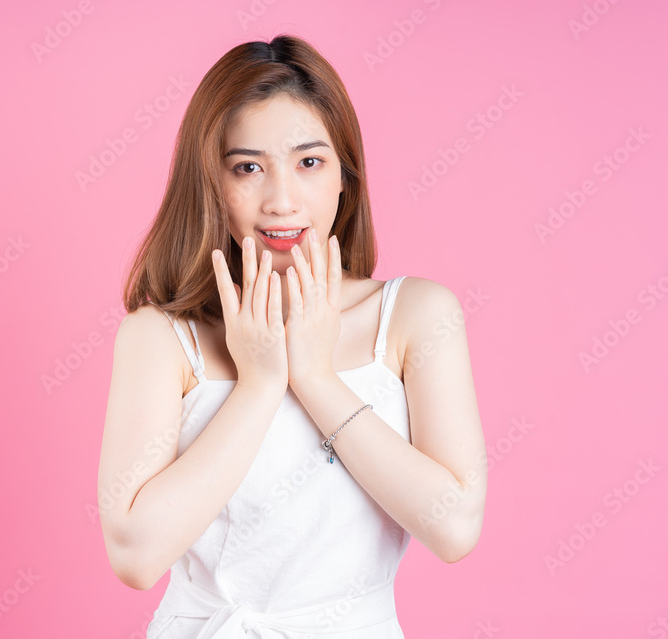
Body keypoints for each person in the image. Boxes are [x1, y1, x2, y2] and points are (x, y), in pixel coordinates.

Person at [97, 34, 487, 638]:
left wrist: (314, 377)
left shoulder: (414, 315)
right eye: (247, 167)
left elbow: (455, 527)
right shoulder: (161, 336)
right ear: (211, 182)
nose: (281, 201)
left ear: (343, 179)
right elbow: (135, 555)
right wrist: (259, 384)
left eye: (309, 162)